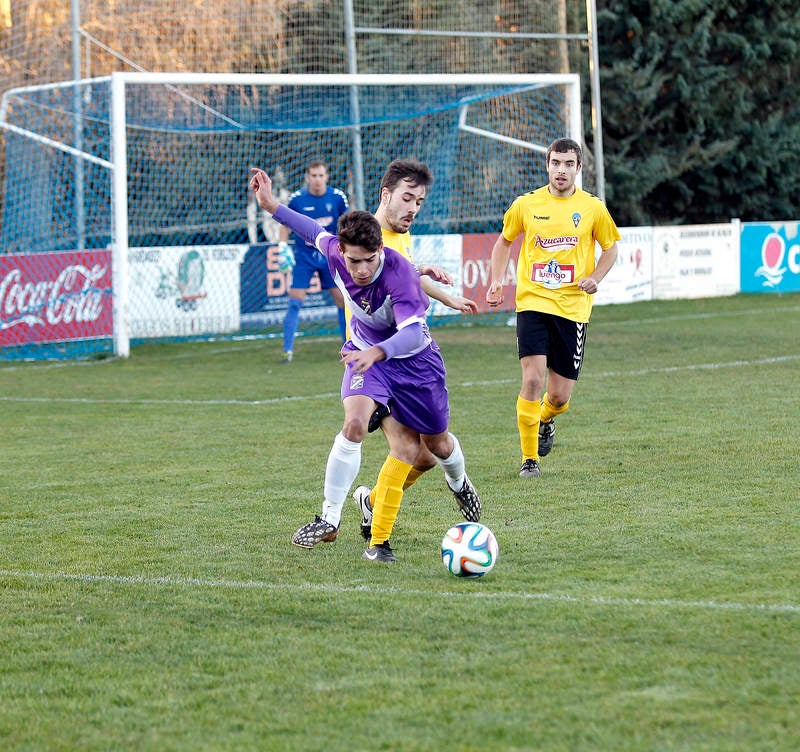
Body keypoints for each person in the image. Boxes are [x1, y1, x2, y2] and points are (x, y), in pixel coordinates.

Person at [249, 166, 481, 563]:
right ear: (342, 251)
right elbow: (309, 229)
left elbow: (412, 333)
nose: (360, 270)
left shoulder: (400, 271)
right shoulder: (336, 251)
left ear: (380, 253)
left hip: (414, 363)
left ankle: (458, 482)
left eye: (369, 261)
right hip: (365, 358)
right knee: (357, 425)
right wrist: (270, 205)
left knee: (436, 447)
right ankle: (330, 518)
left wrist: (377, 351)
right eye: (353, 261)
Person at [350, 159, 478, 542]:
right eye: (407, 198)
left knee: (426, 455)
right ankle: (378, 542)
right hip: (377, 363)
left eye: (419, 202)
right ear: (385, 194)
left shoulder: (399, 235)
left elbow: (407, 276)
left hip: (410, 360)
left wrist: (447, 296)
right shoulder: (367, 243)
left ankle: (373, 502)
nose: (413, 209)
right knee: (405, 447)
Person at [486, 137, 620, 478]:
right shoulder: (526, 204)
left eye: (568, 164)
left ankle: (545, 418)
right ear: (547, 165)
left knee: (559, 397)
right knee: (532, 379)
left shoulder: (592, 208)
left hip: (572, 309)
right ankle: (529, 459)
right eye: (556, 163)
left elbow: (611, 249)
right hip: (532, 302)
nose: (561, 170)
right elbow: (504, 242)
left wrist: (596, 277)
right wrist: (497, 281)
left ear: (578, 168)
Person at [279, 159, 350, 363]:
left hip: (331, 255)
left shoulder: (337, 197)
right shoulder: (297, 199)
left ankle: (349, 347)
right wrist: (282, 247)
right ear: (307, 177)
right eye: (313, 176)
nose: (317, 180)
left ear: (326, 177)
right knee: (295, 302)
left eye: (321, 175)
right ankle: (287, 351)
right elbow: (285, 223)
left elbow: (348, 224)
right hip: (305, 257)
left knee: (342, 301)